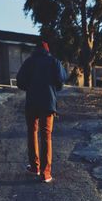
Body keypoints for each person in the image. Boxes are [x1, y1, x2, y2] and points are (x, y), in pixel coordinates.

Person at [16, 40, 67, 183]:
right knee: (46, 136)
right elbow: (62, 79)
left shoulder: (29, 62)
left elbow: (20, 81)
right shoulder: (54, 62)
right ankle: (46, 173)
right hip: (48, 103)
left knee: (32, 133)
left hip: (32, 102)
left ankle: (35, 167)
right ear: (47, 49)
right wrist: (53, 89)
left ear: (35, 50)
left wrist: (31, 88)